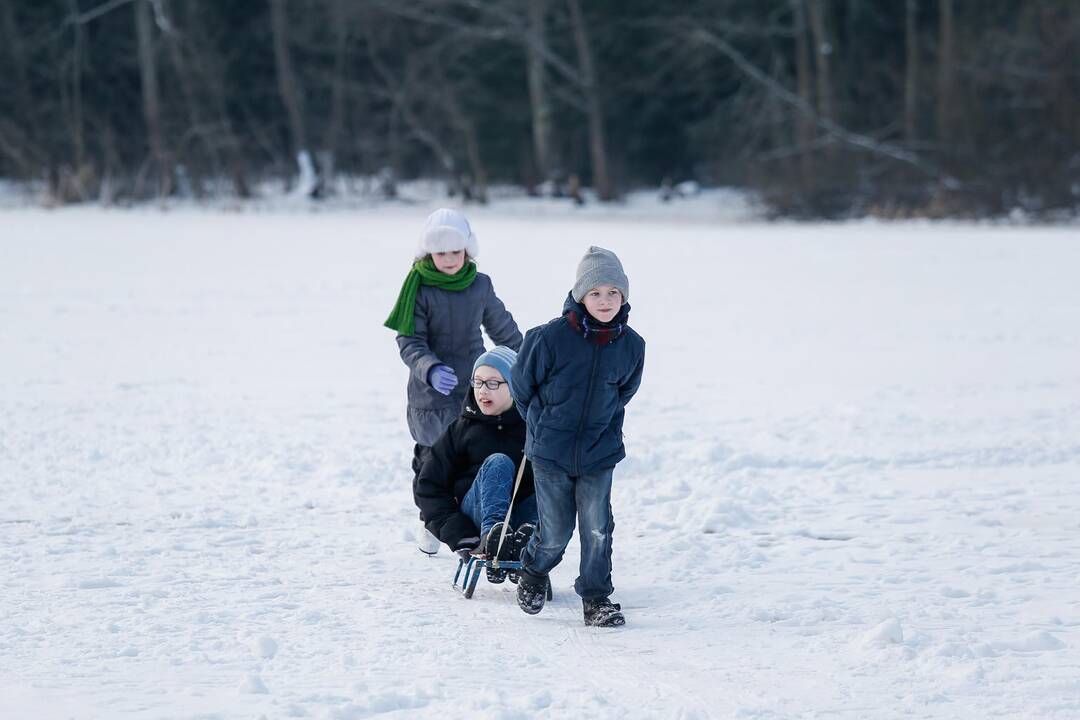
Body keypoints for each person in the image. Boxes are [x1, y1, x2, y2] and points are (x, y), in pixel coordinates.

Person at [510, 246, 645, 627]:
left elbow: (624, 392)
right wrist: (543, 426)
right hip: (550, 453)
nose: (605, 301)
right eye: (596, 293)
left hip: (599, 453)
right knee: (555, 532)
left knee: (598, 527)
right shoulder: (547, 338)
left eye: (613, 293)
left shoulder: (632, 346)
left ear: (624, 297)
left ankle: (597, 598)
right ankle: (534, 571)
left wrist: (601, 429)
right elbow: (523, 389)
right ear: (580, 296)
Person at [385, 208, 522, 554]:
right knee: (433, 458)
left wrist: (525, 362)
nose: (448, 259)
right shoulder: (418, 287)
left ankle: (474, 519)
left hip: (475, 388)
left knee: (473, 453)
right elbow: (409, 340)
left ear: (468, 251)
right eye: (441, 252)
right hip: (430, 394)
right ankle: (430, 520)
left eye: (455, 251)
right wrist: (429, 368)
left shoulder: (479, 285)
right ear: (428, 253)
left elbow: (503, 330)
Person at [414, 347, 538, 582]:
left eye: (493, 383)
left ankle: (526, 545)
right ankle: (494, 540)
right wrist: (460, 534)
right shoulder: (461, 430)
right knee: (498, 462)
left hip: (522, 518)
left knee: (554, 484)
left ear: (513, 386)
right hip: (476, 519)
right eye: (478, 382)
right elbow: (429, 487)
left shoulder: (532, 428)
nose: (482, 390)